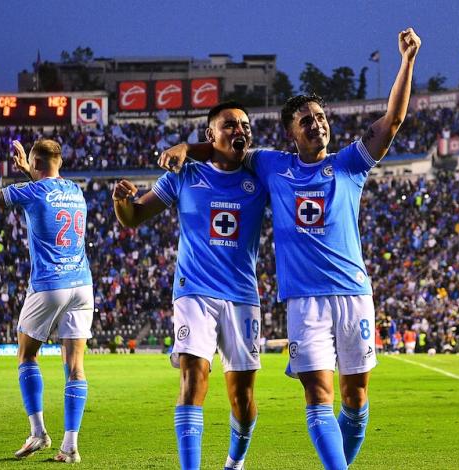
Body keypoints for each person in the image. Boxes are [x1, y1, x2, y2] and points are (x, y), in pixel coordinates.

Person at [159, 27, 420, 470]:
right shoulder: (269, 164)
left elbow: (391, 122)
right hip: (304, 302)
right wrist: (190, 146)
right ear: (290, 134)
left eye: (321, 117)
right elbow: (227, 149)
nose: (317, 123)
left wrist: (408, 61)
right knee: (318, 396)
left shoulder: (350, 164)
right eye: (307, 120)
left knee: (355, 399)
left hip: (354, 294)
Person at [113, 102, 267, 470]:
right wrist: (121, 202)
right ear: (210, 134)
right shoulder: (184, 176)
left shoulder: (260, 175)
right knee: (193, 377)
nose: (239, 130)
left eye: (244, 124)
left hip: (242, 296)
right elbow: (133, 218)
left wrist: (186, 145)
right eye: (229, 124)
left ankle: (234, 462)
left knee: (242, 400)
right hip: (193, 292)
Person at [0, 138, 93, 463]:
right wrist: (29, 169)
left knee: (26, 356)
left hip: (49, 284)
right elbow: (47, 184)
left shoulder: (33, 191)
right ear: (59, 162)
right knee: (75, 367)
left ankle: (38, 432)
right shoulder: (76, 191)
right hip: (82, 285)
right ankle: (70, 446)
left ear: (34, 164)